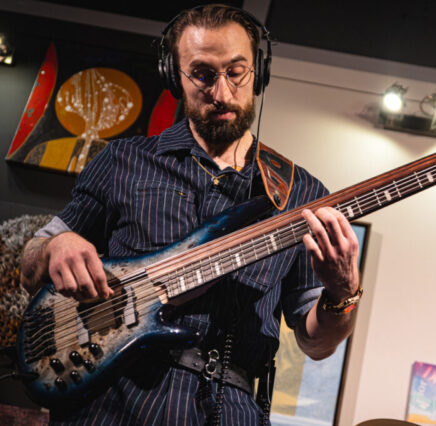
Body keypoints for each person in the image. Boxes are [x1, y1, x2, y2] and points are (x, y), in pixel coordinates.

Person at [20, 4, 361, 425]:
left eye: (236, 72)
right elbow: (31, 266)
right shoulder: (124, 160)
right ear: (173, 76)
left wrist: (342, 294)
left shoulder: (302, 194)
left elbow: (318, 344)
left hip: (226, 410)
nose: (222, 92)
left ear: (259, 72)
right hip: (109, 403)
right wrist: (56, 245)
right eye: (202, 74)